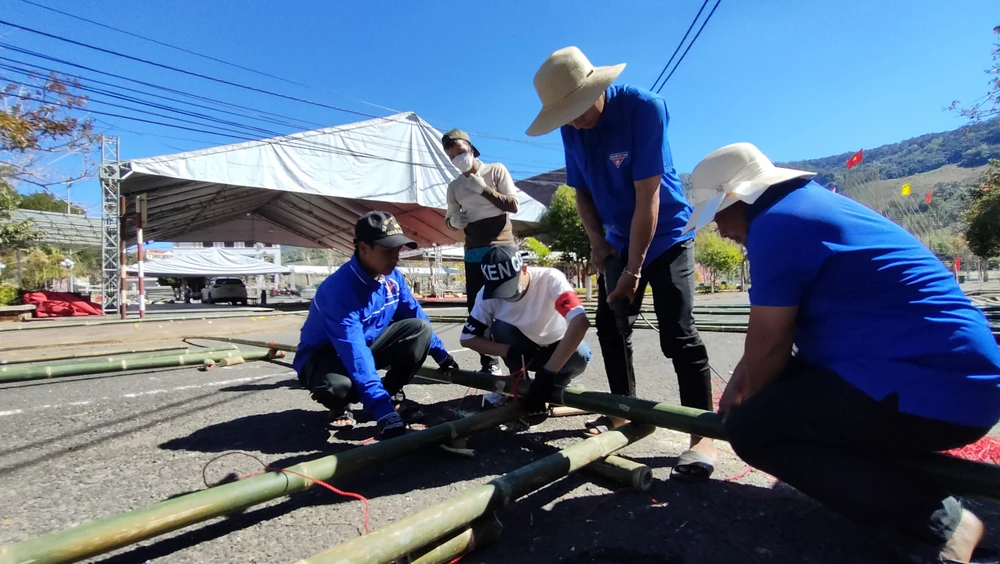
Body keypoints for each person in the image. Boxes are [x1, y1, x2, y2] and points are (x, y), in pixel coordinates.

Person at [685, 142, 1000, 563]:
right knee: (776, 403)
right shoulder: (802, 208)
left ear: (739, 197)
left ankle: (946, 521)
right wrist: (740, 384)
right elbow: (769, 338)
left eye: (718, 216)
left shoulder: (777, 225)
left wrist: (747, 404)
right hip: (948, 374)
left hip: (941, 386)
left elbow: (771, 344)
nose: (720, 229)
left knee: (755, 431)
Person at [526, 46, 715, 480]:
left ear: (596, 87)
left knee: (678, 334)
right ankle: (623, 410)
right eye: (565, 115)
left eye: (577, 109)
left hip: (665, 234)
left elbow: (648, 195)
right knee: (612, 328)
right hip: (614, 238)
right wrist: (597, 242)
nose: (574, 120)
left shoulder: (643, 109)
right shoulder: (572, 128)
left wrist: (633, 270)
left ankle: (701, 433)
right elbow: (582, 192)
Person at [293, 211, 459, 440]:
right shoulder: (339, 291)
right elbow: (355, 353)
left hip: (367, 345)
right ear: (363, 248)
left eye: (397, 251)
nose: (395, 258)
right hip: (327, 354)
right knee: (337, 387)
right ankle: (343, 405)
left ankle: (389, 397)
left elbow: (416, 315)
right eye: (388, 251)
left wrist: (443, 357)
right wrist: (383, 414)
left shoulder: (393, 278)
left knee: (419, 330)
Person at [459, 244, 592, 413]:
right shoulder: (487, 294)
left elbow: (580, 322)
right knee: (501, 327)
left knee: (582, 354)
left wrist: (547, 375)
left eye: (510, 286)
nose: (507, 295)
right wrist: (510, 351)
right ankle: (520, 383)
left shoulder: (550, 279)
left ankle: (557, 383)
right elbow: (467, 338)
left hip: (557, 348)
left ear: (523, 269)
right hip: (524, 353)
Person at [442, 129, 520, 380]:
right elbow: (448, 220)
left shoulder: (496, 170)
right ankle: (489, 362)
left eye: (461, 153)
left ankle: (518, 364)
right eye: (452, 157)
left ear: (472, 149)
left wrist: (484, 189)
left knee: (510, 304)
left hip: (502, 247)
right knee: (477, 307)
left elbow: (513, 205)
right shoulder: (454, 186)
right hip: (474, 251)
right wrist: (455, 221)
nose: (459, 159)